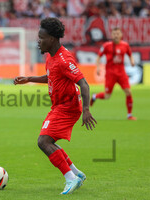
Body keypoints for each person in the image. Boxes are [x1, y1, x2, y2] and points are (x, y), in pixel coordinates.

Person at [14, 18, 97, 195]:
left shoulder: (64, 59)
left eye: (41, 37)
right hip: (59, 106)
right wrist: (29, 79)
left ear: (51, 39)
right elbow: (51, 77)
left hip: (68, 107)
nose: (38, 41)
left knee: (43, 142)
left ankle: (70, 178)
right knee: (48, 141)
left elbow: (84, 84)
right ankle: (76, 174)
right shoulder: (52, 56)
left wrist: (87, 111)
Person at [90, 27, 136, 120]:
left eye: (118, 33)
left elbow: (130, 55)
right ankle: (95, 96)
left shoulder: (125, 45)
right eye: (114, 34)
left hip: (121, 73)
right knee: (107, 96)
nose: (116, 35)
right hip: (110, 74)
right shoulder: (107, 45)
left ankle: (129, 115)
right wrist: (98, 68)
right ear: (111, 35)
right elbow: (98, 57)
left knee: (128, 92)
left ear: (121, 35)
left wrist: (132, 61)